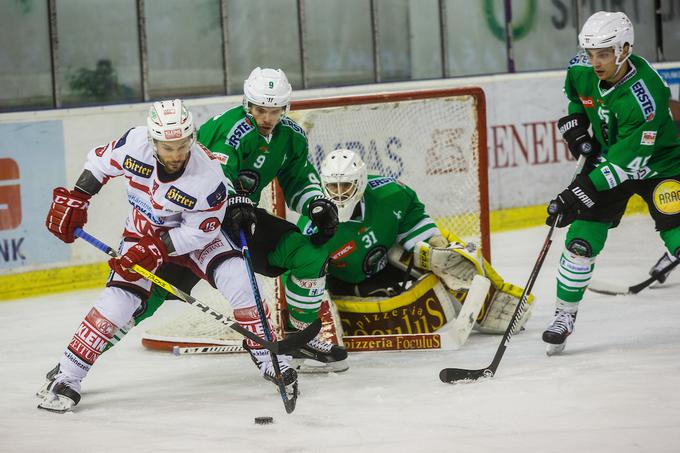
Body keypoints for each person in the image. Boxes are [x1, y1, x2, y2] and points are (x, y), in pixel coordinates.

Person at [38, 99, 296, 413]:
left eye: (182, 145)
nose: (175, 154)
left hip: (197, 239)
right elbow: (99, 163)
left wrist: (157, 248)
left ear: (192, 138)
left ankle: (268, 353)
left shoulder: (208, 177)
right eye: (167, 146)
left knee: (240, 280)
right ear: (153, 140)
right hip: (141, 233)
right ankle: (67, 377)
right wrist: (78, 197)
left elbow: (200, 232)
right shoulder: (134, 144)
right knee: (116, 303)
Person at [91, 67, 346, 372]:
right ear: (246, 103)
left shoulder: (290, 136)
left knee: (309, 254)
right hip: (187, 226)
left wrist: (316, 203)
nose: (266, 117)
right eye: (260, 109)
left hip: (240, 222)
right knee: (141, 298)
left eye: (274, 110)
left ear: (285, 108)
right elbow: (216, 170)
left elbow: (298, 178)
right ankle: (83, 359)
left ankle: (299, 337)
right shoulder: (231, 129)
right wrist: (233, 197)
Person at [543, 11, 680, 355]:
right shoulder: (581, 68)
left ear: (625, 49)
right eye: (590, 53)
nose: (595, 62)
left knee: (677, 233)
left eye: (603, 54)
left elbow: (629, 162)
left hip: (659, 164)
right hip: (609, 157)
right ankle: (564, 315)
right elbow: (577, 98)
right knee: (581, 243)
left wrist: (577, 192)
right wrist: (576, 129)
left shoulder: (644, 95)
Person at [290, 149, 534, 341]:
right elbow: (296, 273)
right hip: (341, 283)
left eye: (346, 185)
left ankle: (494, 303)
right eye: (333, 186)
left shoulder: (389, 192)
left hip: (385, 263)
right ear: (323, 184)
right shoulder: (312, 226)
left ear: (361, 181)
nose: (340, 193)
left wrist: (432, 240)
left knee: (442, 254)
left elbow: (412, 213)